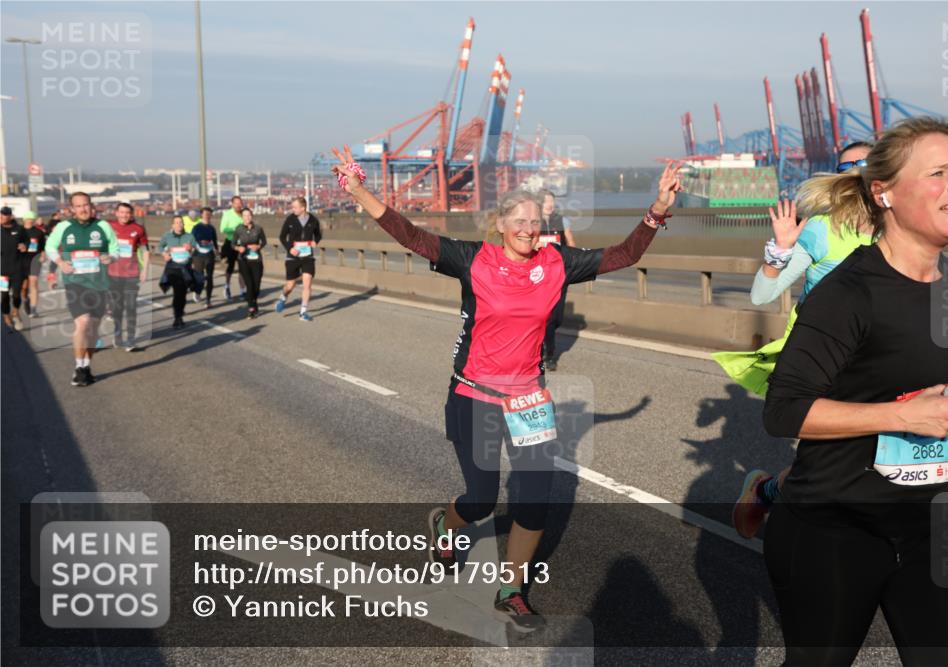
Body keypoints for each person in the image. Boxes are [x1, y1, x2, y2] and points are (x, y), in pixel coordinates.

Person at [331, 145, 682, 631]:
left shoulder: (557, 264)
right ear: (499, 223)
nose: (527, 227)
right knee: (480, 498)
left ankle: (512, 590)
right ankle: (446, 524)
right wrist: (361, 192)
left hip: (529, 399)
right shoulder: (472, 260)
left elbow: (623, 255)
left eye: (535, 220)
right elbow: (410, 234)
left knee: (535, 498)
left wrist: (657, 210)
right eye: (517, 218)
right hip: (473, 393)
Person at [762, 117, 948, 665]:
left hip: (934, 526)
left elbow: (943, 376)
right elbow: (784, 411)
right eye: (938, 173)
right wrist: (903, 418)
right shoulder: (848, 292)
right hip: (838, 527)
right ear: (883, 192)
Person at [717, 141, 875, 538]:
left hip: (877, 360)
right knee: (833, 460)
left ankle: (775, 495)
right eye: (849, 165)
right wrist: (781, 250)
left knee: (872, 459)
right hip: (825, 361)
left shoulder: (902, 231)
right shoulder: (822, 230)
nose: (858, 170)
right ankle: (769, 494)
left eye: (868, 162)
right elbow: (762, 296)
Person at [44, 192, 118, 386]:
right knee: (83, 322)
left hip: (99, 282)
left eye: (86, 205)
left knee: (93, 327)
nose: (83, 209)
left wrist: (111, 258)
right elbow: (50, 247)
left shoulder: (102, 226)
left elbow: (115, 248)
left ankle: (86, 366)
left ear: (91, 206)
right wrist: (60, 262)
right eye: (78, 206)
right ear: (72, 209)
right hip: (74, 282)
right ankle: (78, 367)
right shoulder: (64, 227)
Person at [536, 189, 577, 370]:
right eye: (546, 201)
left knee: (556, 317)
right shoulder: (531, 222)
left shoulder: (562, 220)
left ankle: (546, 348)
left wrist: (572, 262)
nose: (550, 204)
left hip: (558, 275)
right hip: (537, 276)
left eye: (552, 201)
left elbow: (571, 243)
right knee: (543, 317)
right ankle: (548, 355)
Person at [108, 202, 149, 351]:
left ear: (131, 214)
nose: (125, 215)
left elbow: (145, 250)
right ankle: (118, 333)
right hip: (113, 273)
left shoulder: (138, 229)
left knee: (131, 306)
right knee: (117, 308)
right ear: (116, 213)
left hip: (131, 273)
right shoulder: (109, 227)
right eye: (122, 212)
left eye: (127, 213)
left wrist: (144, 269)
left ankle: (130, 338)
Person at [276, 196, 322, 321]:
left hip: (307, 256)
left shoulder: (313, 220)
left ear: (303, 208)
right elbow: (281, 236)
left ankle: (303, 312)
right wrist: (289, 248)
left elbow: (318, 234)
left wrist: (315, 241)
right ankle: (283, 297)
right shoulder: (290, 219)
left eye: (295, 207)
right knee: (290, 285)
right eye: (293, 207)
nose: (293, 209)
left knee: (307, 283)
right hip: (293, 256)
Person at [158, 216, 197, 328]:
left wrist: (190, 248)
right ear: (172, 225)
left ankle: (179, 313)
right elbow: (160, 247)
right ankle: (177, 317)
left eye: (181, 222)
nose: (179, 224)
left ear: (183, 225)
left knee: (182, 294)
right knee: (177, 292)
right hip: (173, 268)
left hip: (185, 268)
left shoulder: (189, 236)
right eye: (176, 222)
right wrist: (165, 254)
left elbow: (196, 250)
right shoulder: (167, 236)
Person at [232, 207, 267, 318]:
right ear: (242, 217)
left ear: (252, 216)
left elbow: (264, 241)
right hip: (244, 260)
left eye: (249, 215)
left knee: (256, 285)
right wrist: (238, 248)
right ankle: (251, 307)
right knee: (249, 284)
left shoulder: (258, 228)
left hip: (256, 260)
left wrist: (258, 246)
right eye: (245, 216)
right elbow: (232, 244)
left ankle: (254, 301)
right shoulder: (238, 229)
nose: (247, 218)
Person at [1, 206, 27, 332]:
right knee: (4, 295)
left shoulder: (19, 229)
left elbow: (28, 242)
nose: (1, 216)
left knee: (17, 294)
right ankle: (6, 317)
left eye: (4, 215)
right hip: (2, 270)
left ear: (10, 216)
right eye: (0, 214)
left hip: (17, 268)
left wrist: (24, 246)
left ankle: (15, 312)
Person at [19, 210, 46, 318]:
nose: (30, 221)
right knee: (24, 287)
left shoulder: (39, 232)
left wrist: (43, 256)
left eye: (32, 219)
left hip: (34, 259)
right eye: (28, 219)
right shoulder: (19, 232)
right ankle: (26, 300)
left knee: (33, 283)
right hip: (21, 261)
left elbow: (43, 247)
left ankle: (33, 309)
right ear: (24, 220)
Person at [219, 196, 246, 300]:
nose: (239, 205)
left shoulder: (244, 214)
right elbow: (222, 229)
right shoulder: (227, 214)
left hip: (242, 244)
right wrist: (234, 229)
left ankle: (243, 290)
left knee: (242, 268)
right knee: (230, 267)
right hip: (231, 243)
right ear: (232, 204)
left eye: (240, 203)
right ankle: (227, 286)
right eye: (236, 203)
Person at [190, 206, 218, 307]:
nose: (207, 216)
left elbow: (214, 241)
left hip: (209, 254)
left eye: (209, 214)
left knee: (210, 277)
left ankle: (208, 300)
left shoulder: (211, 228)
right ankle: (197, 291)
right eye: (205, 214)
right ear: (201, 215)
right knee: (200, 277)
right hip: (198, 255)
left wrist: (217, 251)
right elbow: (191, 240)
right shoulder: (196, 227)